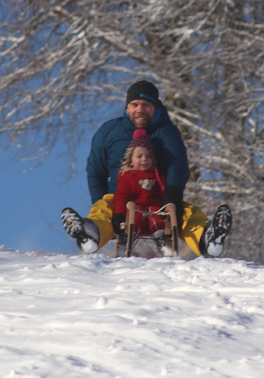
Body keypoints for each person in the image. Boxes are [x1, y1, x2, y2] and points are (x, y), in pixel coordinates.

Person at [61, 79, 232, 257]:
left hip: (160, 200)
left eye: (146, 105)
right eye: (134, 104)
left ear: (155, 107)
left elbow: (177, 166)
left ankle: (207, 237)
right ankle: (89, 233)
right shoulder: (109, 132)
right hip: (120, 198)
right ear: (127, 108)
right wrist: (102, 201)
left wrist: (171, 197)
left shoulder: (166, 133)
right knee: (103, 209)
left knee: (188, 213)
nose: (140, 110)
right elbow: (96, 171)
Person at [112, 128, 169, 252]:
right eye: (139, 156)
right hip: (135, 212)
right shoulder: (127, 176)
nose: (144, 159)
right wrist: (119, 215)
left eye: (148, 156)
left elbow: (163, 195)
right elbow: (121, 197)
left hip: (154, 211)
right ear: (130, 160)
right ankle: (126, 238)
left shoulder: (157, 176)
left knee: (155, 211)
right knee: (134, 210)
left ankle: (162, 240)